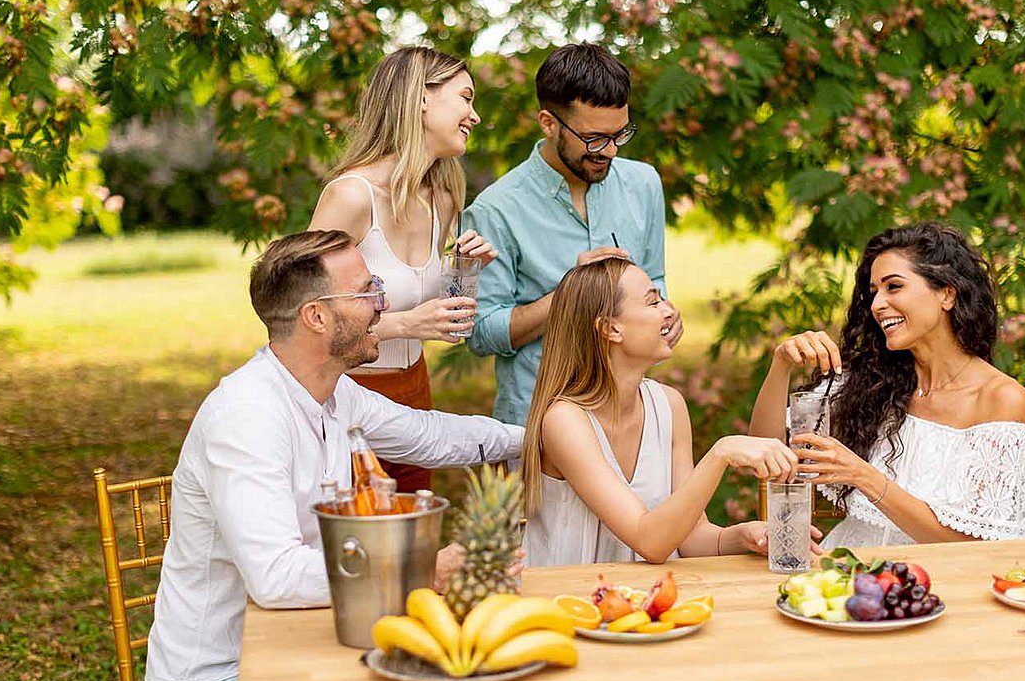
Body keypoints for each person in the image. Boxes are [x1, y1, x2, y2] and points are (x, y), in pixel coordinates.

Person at [142, 231, 522, 681]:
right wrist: (421, 571)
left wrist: (539, 435)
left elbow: (430, 436)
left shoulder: (334, 392)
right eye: (367, 292)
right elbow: (275, 578)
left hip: (309, 645)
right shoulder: (247, 416)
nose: (381, 306)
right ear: (316, 316)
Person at [749, 222, 1025, 548]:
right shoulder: (873, 381)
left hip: (935, 585)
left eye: (893, 287)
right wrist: (782, 366)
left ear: (946, 294)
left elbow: (970, 544)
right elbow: (764, 450)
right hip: (846, 570)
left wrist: (863, 476)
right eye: (874, 291)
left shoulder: (1000, 399)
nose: (877, 304)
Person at [520, 258, 817, 567]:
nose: (669, 311)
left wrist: (741, 536)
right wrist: (721, 453)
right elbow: (651, 542)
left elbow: (689, 537)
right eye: (652, 302)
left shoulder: (669, 405)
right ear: (611, 328)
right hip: (568, 605)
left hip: (645, 603)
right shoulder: (564, 420)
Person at [309, 46, 498, 492]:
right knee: (355, 542)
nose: (475, 115)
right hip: (344, 396)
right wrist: (408, 323)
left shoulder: (444, 196)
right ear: (422, 98)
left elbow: (447, 320)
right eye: (466, 98)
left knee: (410, 540)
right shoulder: (352, 196)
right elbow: (306, 313)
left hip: (415, 392)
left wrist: (466, 272)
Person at [465, 42, 683, 427]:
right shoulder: (494, 210)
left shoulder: (644, 183)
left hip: (629, 420)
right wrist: (570, 296)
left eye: (619, 134)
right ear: (549, 123)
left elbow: (656, 279)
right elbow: (482, 333)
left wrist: (662, 311)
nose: (611, 151)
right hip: (538, 423)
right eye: (594, 138)